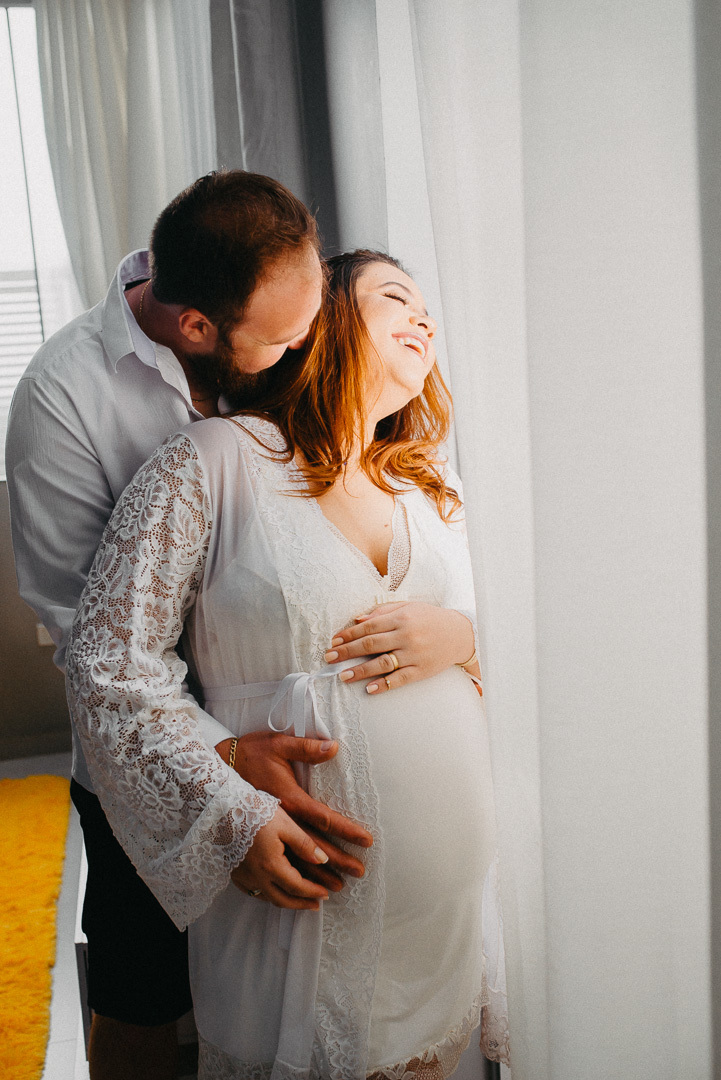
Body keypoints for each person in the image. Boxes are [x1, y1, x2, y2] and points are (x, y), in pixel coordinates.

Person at [66, 250, 511, 1078]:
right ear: (320, 320)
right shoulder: (216, 460)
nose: (424, 317)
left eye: (426, 307)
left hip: (443, 920)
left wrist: (463, 635)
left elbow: (531, 637)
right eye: (395, 297)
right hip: (299, 891)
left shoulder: (430, 488)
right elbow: (110, 663)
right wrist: (227, 809)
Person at [5, 171, 375, 1080]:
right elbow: (89, 638)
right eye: (281, 339)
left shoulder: (280, 313)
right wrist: (220, 757)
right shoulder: (63, 396)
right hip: (146, 755)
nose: (306, 345)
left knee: (288, 990)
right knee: (142, 998)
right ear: (199, 327)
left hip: (302, 729)